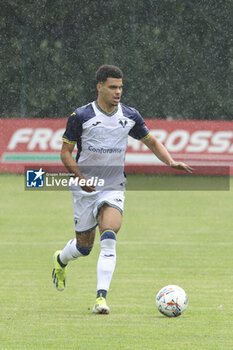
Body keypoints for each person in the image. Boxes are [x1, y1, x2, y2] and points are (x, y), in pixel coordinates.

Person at [52, 64, 193, 314]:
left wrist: (170, 161)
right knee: (84, 247)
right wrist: (81, 177)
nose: (118, 92)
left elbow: (151, 141)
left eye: (121, 87)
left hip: (113, 186)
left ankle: (100, 299)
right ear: (99, 87)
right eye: (113, 87)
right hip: (84, 187)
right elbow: (65, 153)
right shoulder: (80, 116)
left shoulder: (130, 115)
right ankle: (61, 259)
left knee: (109, 235)